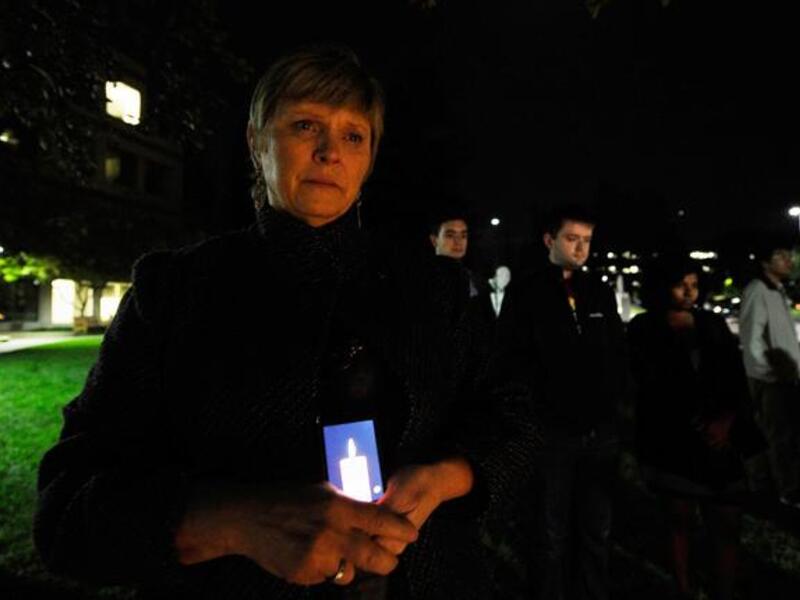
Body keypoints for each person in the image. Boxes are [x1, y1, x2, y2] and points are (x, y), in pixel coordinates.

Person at [34, 46, 537, 600]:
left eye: (353, 136)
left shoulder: (434, 289)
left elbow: (515, 415)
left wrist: (448, 478)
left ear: (370, 158)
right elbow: (67, 512)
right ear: (256, 142)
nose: (329, 152)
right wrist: (230, 521)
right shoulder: (177, 292)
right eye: (305, 125)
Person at [494, 205, 627, 600]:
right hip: (551, 431)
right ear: (550, 240)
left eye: (587, 240)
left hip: (599, 430)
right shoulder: (528, 291)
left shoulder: (598, 290)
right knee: (549, 531)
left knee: (596, 529)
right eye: (573, 239)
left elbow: (616, 351)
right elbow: (511, 358)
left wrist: (614, 404)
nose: (581, 248)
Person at [628, 257, 761, 600]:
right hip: (674, 439)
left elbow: (734, 376)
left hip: (720, 438)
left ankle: (724, 588)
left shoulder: (713, 324)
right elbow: (644, 385)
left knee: (728, 523)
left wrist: (727, 421)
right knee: (679, 520)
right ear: (661, 287)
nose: (689, 291)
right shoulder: (645, 327)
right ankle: (683, 586)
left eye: (694, 284)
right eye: (680, 284)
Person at [739, 241, 800, 508]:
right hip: (772, 381)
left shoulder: (777, 291)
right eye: (780, 255)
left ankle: (782, 488)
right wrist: (771, 375)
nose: (789, 260)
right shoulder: (758, 290)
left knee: (785, 437)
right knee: (779, 438)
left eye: (789, 255)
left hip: (785, 378)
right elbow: (752, 341)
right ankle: (785, 491)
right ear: (765, 262)